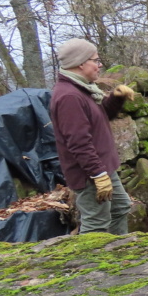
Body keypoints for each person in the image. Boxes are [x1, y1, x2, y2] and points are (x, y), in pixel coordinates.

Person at [50, 38, 135, 234]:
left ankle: (119, 252)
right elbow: (78, 142)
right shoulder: (69, 97)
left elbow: (99, 119)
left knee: (120, 207)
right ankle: (90, 263)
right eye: (95, 60)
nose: (100, 65)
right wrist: (97, 174)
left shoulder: (82, 88)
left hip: (102, 168)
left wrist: (116, 99)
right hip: (90, 173)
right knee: (95, 222)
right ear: (81, 63)